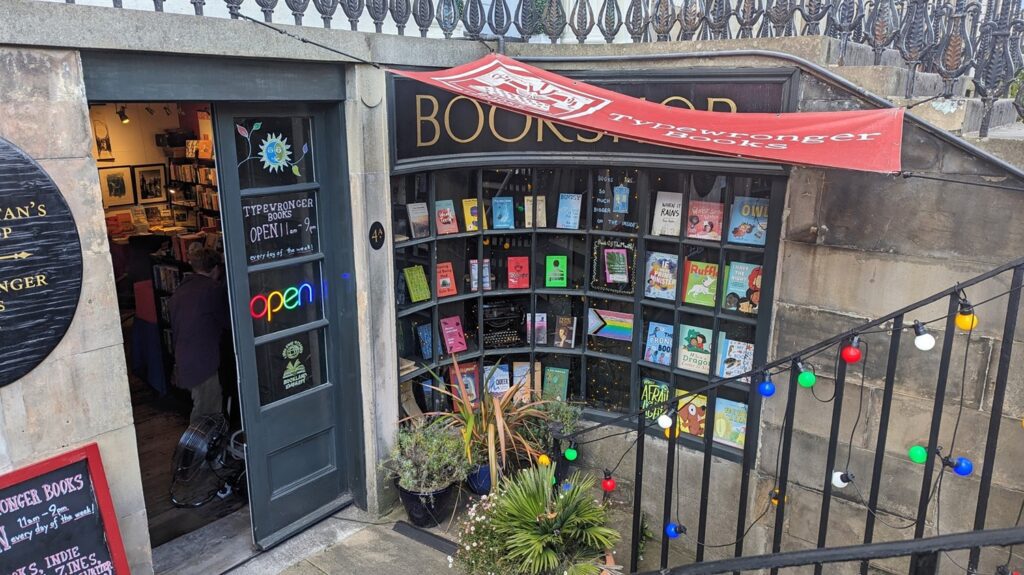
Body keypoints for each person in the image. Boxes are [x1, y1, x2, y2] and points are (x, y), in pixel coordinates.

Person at [170, 247, 230, 423]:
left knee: (202, 404)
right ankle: (195, 449)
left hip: (184, 357)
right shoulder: (213, 289)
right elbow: (227, 322)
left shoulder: (181, 289)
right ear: (215, 269)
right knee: (206, 412)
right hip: (203, 361)